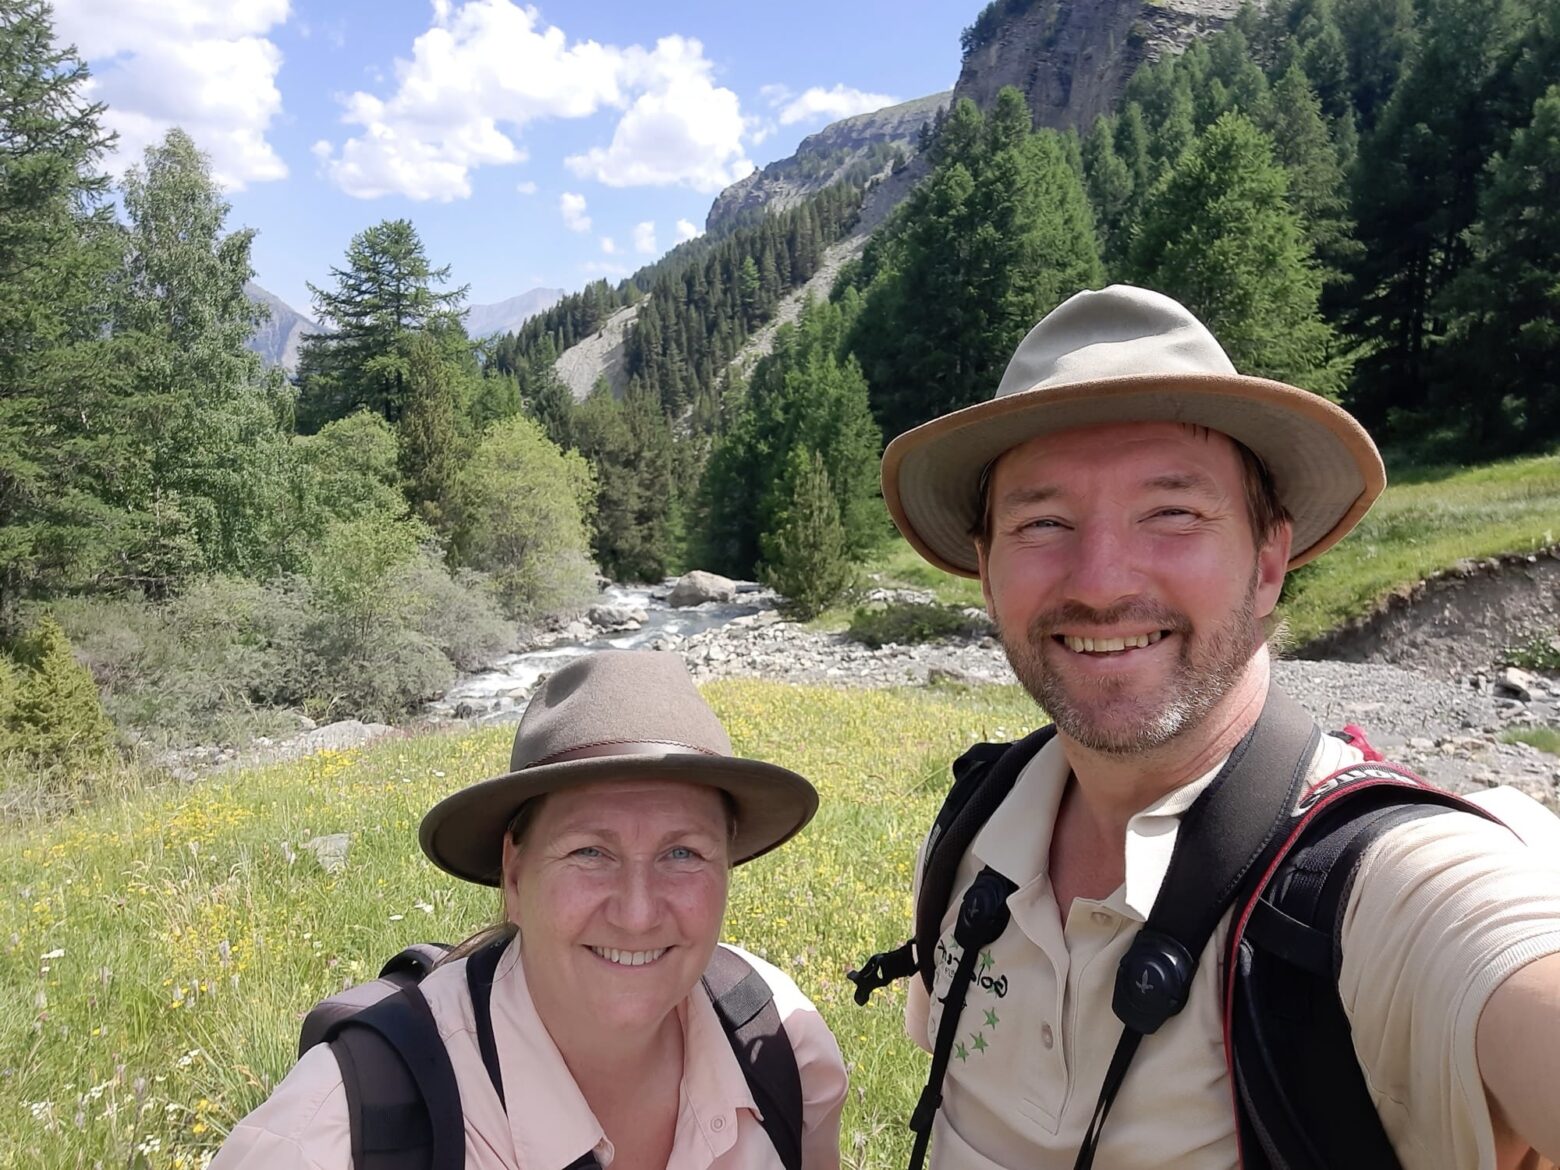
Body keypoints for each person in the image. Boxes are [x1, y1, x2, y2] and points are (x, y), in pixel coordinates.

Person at [877, 284, 1560, 1169]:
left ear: (1268, 559)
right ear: (986, 571)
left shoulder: (1379, 889)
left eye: (1173, 513)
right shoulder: (971, 833)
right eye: (1042, 522)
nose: (1101, 579)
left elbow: (1508, 958)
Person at [211, 649, 847, 1170]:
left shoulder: (780, 1042)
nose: (636, 912)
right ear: (515, 874)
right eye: (590, 852)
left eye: (683, 853)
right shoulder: (330, 1136)